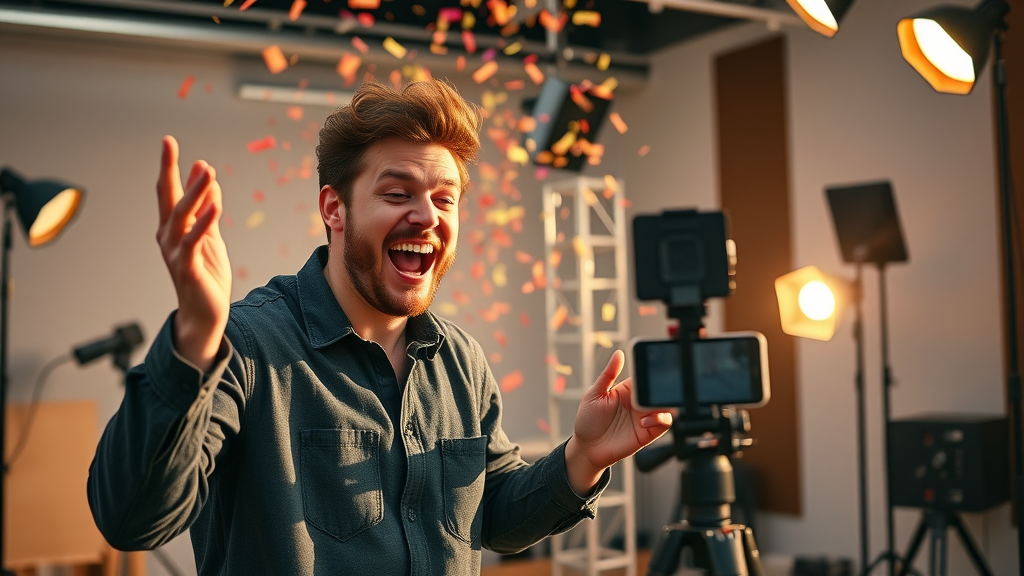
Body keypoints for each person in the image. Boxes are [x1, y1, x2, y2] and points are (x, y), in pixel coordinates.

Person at [88, 79, 672, 576]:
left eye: (445, 200)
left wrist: (584, 457)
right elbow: (133, 518)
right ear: (334, 209)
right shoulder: (244, 346)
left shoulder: (459, 359)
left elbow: (492, 516)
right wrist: (194, 335)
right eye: (397, 193)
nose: (426, 216)